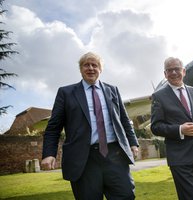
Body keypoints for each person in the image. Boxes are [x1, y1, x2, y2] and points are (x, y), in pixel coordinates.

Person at [41, 52, 139, 200]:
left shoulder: (113, 90)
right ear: (80, 69)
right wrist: (49, 154)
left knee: (125, 195)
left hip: (115, 155)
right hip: (83, 159)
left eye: (95, 65)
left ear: (101, 69)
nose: (91, 68)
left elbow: (124, 120)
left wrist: (133, 143)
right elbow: (53, 127)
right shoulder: (66, 93)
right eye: (86, 65)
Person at [150, 57, 193, 200]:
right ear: (165, 74)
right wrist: (179, 129)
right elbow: (155, 126)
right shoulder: (158, 96)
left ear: (184, 71)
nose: (174, 72)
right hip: (179, 157)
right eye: (169, 70)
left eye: (177, 69)